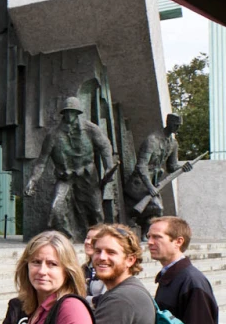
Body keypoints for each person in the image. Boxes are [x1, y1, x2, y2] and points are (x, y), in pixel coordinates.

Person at [24, 96, 114, 240]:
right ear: (63, 113)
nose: (69, 115)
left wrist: (108, 166)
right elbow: (42, 161)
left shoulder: (90, 129)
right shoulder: (53, 135)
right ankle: (68, 237)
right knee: (56, 209)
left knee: (96, 210)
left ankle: (99, 239)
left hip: (87, 176)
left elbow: (105, 146)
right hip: (65, 178)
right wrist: (33, 181)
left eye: (73, 112)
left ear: (78, 113)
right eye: (67, 112)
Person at [124, 114, 193, 236]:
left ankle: (144, 230)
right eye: (176, 125)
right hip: (139, 183)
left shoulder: (173, 144)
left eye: (179, 126)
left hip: (154, 182)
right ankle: (137, 221)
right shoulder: (152, 140)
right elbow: (141, 166)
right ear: (169, 123)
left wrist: (183, 168)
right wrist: (149, 187)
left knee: (156, 210)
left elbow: (171, 167)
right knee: (157, 208)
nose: (177, 128)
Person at [82, 224, 107, 301]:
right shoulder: (83, 269)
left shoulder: (108, 269)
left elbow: (104, 300)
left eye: (94, 239)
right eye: (87, 238)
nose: (88, 242)